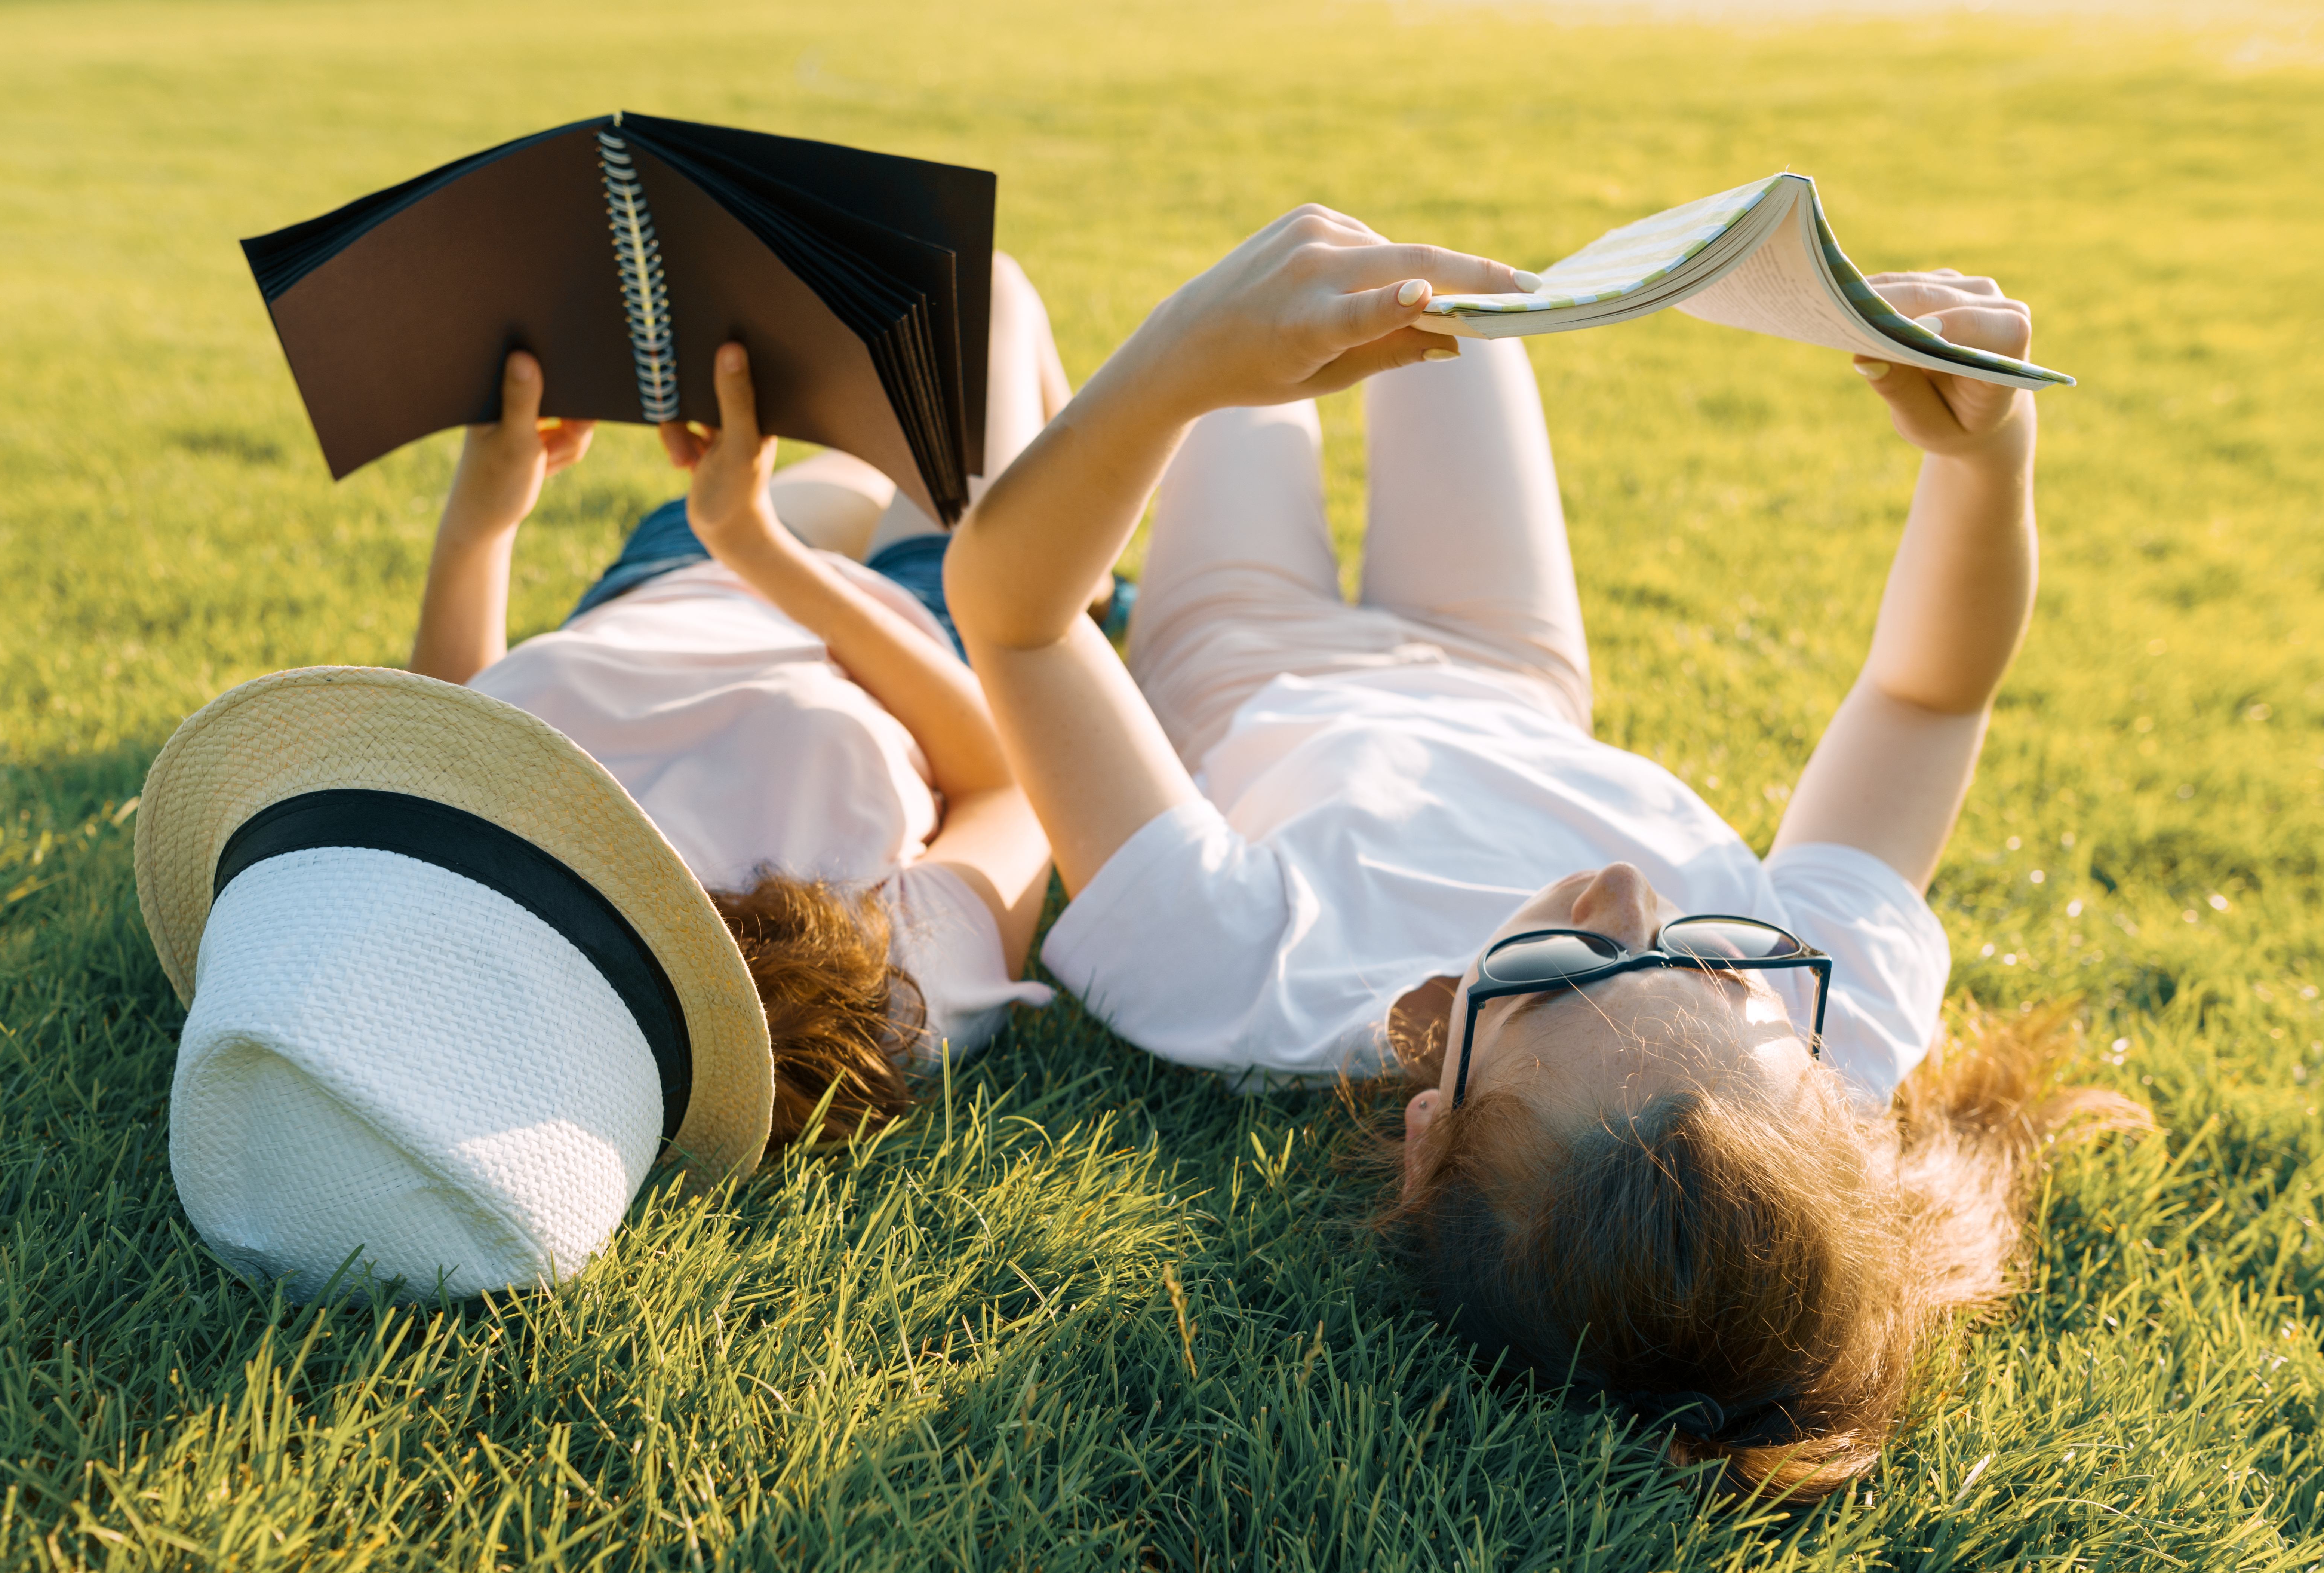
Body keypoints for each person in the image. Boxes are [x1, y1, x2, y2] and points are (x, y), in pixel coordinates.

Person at [944, 208, 2146, 1501]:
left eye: (1568, 968)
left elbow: (1018, 620)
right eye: (1712, 967)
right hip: (1504, 660)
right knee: (1429, 290)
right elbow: (1929, 700)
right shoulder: (1824, 1012)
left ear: (1429, 1130)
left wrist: (1180, 367)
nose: (1630, 894)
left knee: (1265, 349)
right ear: (1822, 1092)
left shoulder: (1240, 981)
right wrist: (1987, 460)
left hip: (1244, 654)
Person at [407, 258, 1069, 1147]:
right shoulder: (880, 997)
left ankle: (1076, 571)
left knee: (882, 449)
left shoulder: (459, 909)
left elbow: (439, 731)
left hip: (672, 571)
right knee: (981, 298)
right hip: (916, 621)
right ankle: (1081, 592)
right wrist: (757, 546)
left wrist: (481, 520)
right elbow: (1004, 781)